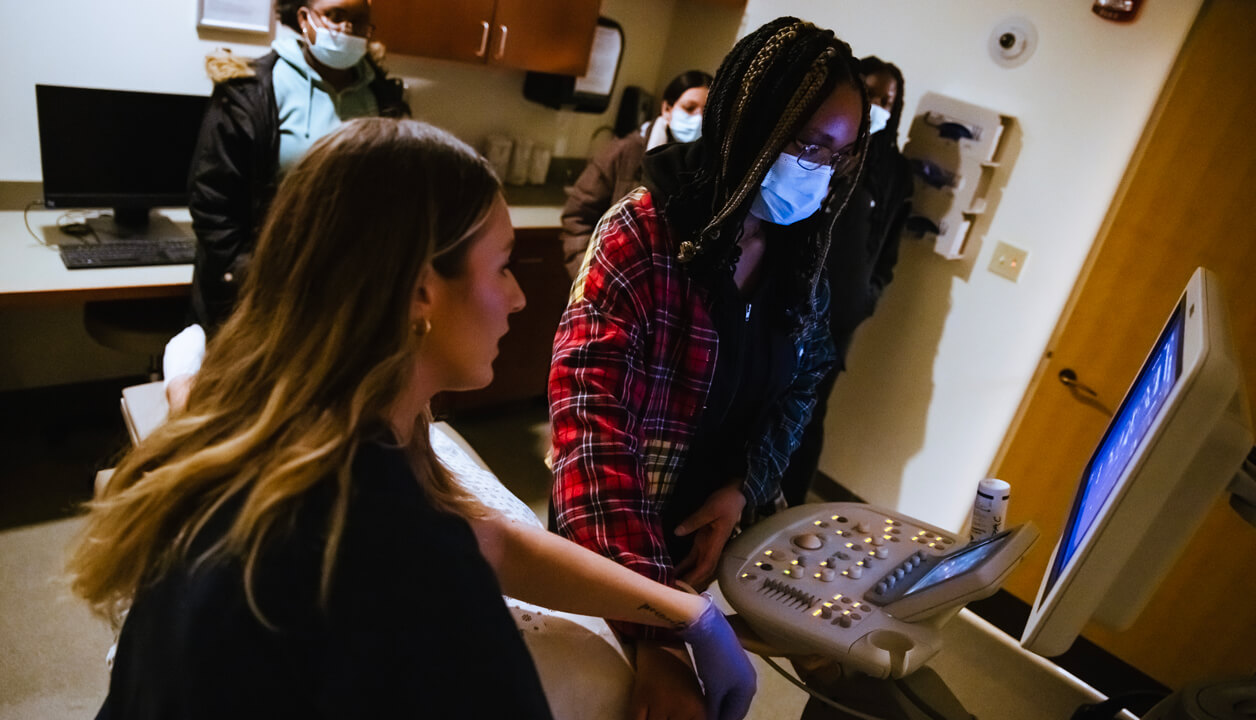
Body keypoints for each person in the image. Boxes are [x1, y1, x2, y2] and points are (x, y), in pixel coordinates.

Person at [69, 118, 754, 720]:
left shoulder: (272, 431)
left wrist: (682, 614)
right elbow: (447, 565)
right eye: (503, 267)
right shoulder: (405, 570)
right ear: (422, 290)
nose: (518, 298)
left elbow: (492, 543)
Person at [549, 17, 869, 718]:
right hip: (612, 533)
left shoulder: (798, 256)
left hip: (703, 527)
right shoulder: (640, 235)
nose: (817, 169)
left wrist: (741, 486)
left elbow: (806, 379)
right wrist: (657, 629)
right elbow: (588, 433)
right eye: (805, 143)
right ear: (746, 125)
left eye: (837, 157)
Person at [187, 0, 410, 332]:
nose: (347, 29)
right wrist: (250, 279)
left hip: (350, 292)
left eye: (360, 20)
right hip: (262, 292)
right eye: (336, 15)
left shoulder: (384, 96)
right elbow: (212, 202)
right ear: (305, 19)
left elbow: (396, 192)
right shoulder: (248, 90)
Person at [780, 55, 913, 507]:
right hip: (789, 300)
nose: (878, 106)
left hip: (839, 319)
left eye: (888, 101)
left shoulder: (895, 173)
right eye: (871, 95)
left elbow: (887, 253)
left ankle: (787, 510)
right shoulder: (829, 152)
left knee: (809, 418)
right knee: (763, 404)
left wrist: (864, 299)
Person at [559, 70, 712, 278]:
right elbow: (578, 218)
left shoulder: (709, 168)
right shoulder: (623, 153)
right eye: (689, 108)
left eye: (707, 110)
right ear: (667, 109)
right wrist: (589, 278)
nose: (698, 119)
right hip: (606, 282)